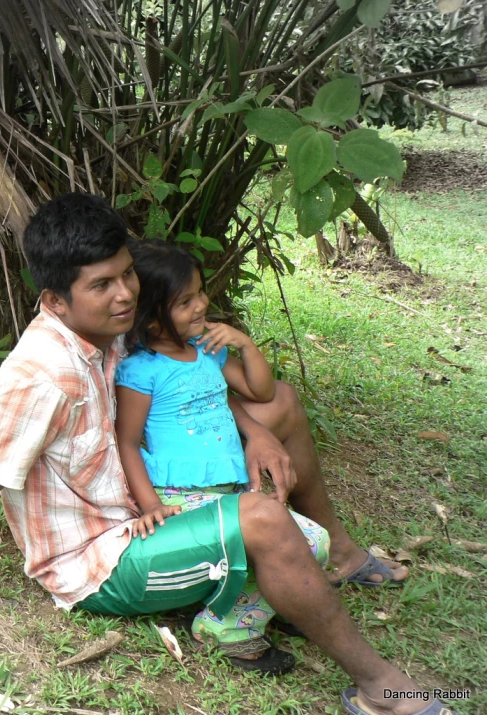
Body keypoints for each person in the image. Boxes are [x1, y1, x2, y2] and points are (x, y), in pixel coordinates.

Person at [0, 193, 457, 715]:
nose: (124, 293)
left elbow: (195, 389)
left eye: (127, 274)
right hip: (103, 558)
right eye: (102, 284)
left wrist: (256, 432)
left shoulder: (112, 326)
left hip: (141, 491)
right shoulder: (38, 379)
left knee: (282, 408)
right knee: (267, 521)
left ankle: (336, 555)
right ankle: (383, 689)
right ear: (56, 300)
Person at [114, 239, 330, 661]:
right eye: (184, 301)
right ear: (151, 317)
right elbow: (126, 440)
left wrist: (245, 344)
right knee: (311, 541)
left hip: (230, 491)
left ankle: (266, 604)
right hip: (181, 494)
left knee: (306, 545)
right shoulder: (140, 369)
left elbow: (259, 390)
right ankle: (224, 626)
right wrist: (150, 504)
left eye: (200, 292)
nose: (201, 305)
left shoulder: (206, 350)